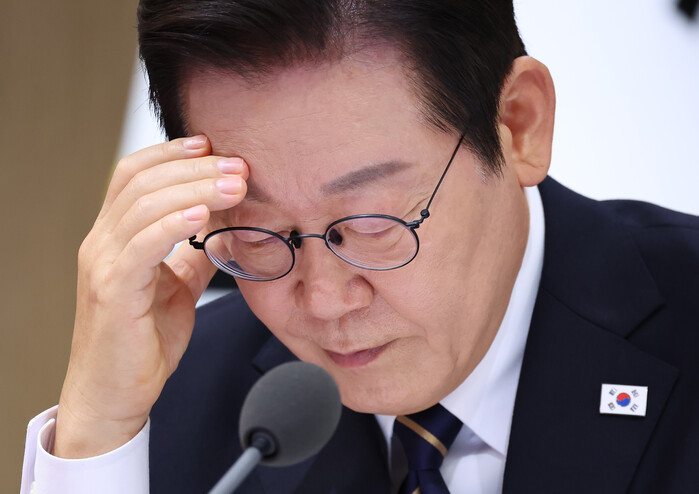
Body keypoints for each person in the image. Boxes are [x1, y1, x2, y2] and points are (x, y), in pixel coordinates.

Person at [20, 1, 699, 493]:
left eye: (372, 222)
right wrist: (97, 432)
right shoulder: (176, 397)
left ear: (518, 124)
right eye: (257, 232)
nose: (324, 300)